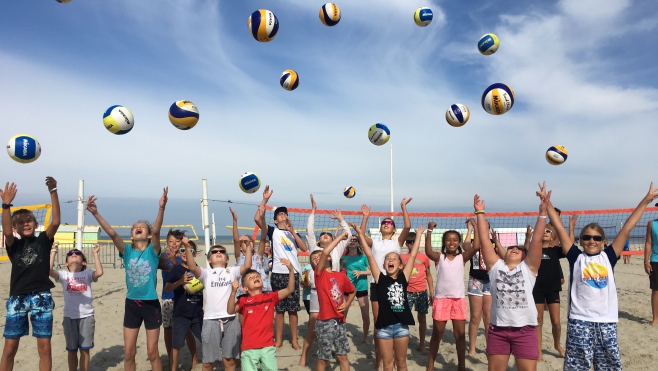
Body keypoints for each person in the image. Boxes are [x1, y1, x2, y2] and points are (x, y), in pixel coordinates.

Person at [546, 181, 658, 370]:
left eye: (597, 238)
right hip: (579, 321)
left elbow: (628, 226)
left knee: (608, 366)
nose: (592, 241)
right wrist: (546, 203)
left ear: (603, 242)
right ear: (580, 241)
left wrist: (646, 201)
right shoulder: (576, 257)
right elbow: (558, 226)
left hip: (606, 321)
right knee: (577, 367)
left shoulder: (609, 256)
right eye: (587, 237)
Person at [86, 188, 168, 371]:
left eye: (142, 226)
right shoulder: (127, 251)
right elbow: (113, 234)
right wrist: (96, 213)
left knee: (152, 352)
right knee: (129, 352)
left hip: (151, 304)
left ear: (147, 234)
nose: (138, 227)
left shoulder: (152, 252)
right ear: (131, 235)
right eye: (135, 227)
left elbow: (157, 232)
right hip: (131, 304)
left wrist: (161, 208)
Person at [474, 189, 547, 371]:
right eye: (511, 247)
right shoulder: (496, 267)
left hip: (525, 330)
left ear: (524, 255)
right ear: (504, 253)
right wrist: (480, 213)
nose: (514, 248)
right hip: (498, 329)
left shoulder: (528, 268)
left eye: (518, 248)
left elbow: (537, 241)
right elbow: (484, 240)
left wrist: (542, 214)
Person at [0, 178, 60, 371]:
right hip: (18, 297)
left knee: (45, 349)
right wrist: (6, 205)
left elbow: (56, 221)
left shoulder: (43, 240)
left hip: (41, 296)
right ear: (15, 228)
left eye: (28, 220)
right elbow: (6, 231)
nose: (25, 224)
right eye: (20, 222)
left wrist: (53, 191)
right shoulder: (13, 244)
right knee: (9, 348)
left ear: (35, 223)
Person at [355, 224, 424, 371]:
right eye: (388, 259)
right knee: (387, 365)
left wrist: (418, 235)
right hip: (384, 328)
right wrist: (360, 234)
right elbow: (369, 255)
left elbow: (413, 255)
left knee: (401, 364)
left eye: (394, 258)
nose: (391, 260)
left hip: (401, 327)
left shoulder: (403, 277)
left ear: (400, 265)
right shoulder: (380, 279)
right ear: (384, 265)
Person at [358, 199, 412, 368]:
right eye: (383, 223)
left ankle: (395, 358)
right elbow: (360, 235)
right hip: (377, 284)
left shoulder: (397, 243)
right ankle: (379, 360)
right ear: (380, 228)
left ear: (394, 229)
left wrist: (403, 207)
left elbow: (408, 227)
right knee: (379, 322)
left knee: (395, 319)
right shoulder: (375, 242)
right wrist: (365, 217)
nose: (386, 224)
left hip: (395, 285)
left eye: (389, 223)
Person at [184, 236, 252, 371]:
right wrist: (187, 247)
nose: (218, 253)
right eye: (214, 252)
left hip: (231, 320)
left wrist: (248, 246)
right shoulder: (206, 273)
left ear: (227, 259)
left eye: (221, 251)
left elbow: (248, 265)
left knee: (230, 361)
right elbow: (192, 266)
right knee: (208, 363)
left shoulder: (232, 271)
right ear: (209, 259)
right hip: (211, 320)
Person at [253, 186, 308, 349]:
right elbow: (257, 219)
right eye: (280, 214)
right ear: (276, 220)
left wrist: (292, 231)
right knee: (279, 310)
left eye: (285, 213)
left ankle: (295, 341)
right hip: (278, 273)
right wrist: (265, 200)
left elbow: (304, 248)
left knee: (293, 310)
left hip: (293, 273)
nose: (283, 215)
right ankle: (278, 340)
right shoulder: (273, 231)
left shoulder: (292, 233)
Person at [424, 221, 477, 371]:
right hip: (441, 300)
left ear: (459, 242)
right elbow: (428, 251)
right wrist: (429, 231)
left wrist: (475, 227)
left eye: (455, 239)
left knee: (460, 336)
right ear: (444, 242)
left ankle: (461, 366)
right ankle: (430, 365)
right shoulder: (439, 257)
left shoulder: (462, 257)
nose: (452, 242)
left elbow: (477, 246)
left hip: (458, 300)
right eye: (448, 239)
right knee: (437, 334)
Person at [227, 259, 297, 371]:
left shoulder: (270, 297)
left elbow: (290, 289)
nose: (255, 278)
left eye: (257, 276)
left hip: (268, 346)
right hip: (248, 347)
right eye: (251, 277)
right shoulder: (244, 301)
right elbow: (230, 310)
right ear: (245, 288)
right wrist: (233, 292)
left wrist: (291, 270)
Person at [49, 244, 103, 371]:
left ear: (83, 262)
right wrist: (53, 251)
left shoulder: (87, 274)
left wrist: (95, 254)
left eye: (77, 254)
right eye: (70, 254)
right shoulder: (63, 275)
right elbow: (48, 271)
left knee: (85, 350)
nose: (73, 254)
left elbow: (99, 272)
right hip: (69, 317)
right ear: (66, 264)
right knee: (72, 350)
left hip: (87, 316)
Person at [314, 231, 356, 371]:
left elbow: (352, 291)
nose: (319, 258)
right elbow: (325, 251)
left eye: (320, 256)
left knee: (343, 356)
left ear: (331, 259)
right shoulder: (319, 275)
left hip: (340, 321)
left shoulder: (340, 276)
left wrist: (348, 303)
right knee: (323, 359)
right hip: (325, 322)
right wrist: (339, 237)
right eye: (316, 258)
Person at [164, 238, 202, 371]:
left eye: (189, 250)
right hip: (180, 314)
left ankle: (198, 362)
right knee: (176, 345)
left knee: (206, 340)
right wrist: (180, 281)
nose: (185, 252)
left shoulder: (198, 270)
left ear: (195, 253)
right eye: (182, 250)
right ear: (179, 253)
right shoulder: (176, 270)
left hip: (197, 313)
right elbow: (167, 288)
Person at [531, 223, 566, 360]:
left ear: (552, 237)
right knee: (538, 320)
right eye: (543, 231)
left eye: (548, 231)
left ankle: (557, 344)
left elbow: (566, 244)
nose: (545, 232)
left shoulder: (555, 251)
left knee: (556, 321)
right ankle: (538, 350)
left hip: (552, 289)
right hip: (537, 289)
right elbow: (526, 248)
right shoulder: (534, 251)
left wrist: (566, 228)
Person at [400, 231, 433, 354]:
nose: (412, 244)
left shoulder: (423, 257)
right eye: (409, 242)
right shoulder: (402, 258)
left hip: (422, 291)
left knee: (422, 318)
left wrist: (432, 292)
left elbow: (429, 275)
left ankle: (422, 344)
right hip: (407, 291)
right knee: (404, 318)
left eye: (414, 241)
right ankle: (403, 342)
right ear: (406, 243)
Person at [230, 207, 272, 297]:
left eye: (250, 242)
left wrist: (263, 218)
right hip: (245, 291)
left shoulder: (258, 256)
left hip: (262, 289)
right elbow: (236, 241)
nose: (248, 243)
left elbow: (263, 237)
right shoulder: (239, 257)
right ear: (240, 248)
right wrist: (234, 220)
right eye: (244, 242)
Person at [466, 218, 492, 356]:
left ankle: (489, 348)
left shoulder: (492, 242)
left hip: (489, 281)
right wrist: (471, 229)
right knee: (475, 317)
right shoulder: (472, 243)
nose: (482, 226)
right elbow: (465, 247)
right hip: (475, 280)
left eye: (485, 225)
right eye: (480, 225)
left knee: (488, 318)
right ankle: (472, 348)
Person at [340, 231, 371, 344]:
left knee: (365, 315)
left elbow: (372, 271)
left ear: (358, 243)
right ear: (347, 243)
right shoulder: (343, 257)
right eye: (350, 240)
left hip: (362, 288)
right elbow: (338, 271)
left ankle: (365, 337)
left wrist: (360, 272)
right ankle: (341, 335)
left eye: (355, 240)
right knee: (343, 313)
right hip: (348, 288)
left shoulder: (363, 257)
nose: (352, 241)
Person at [160, 229, 184, 370]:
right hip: (167, 298)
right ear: (166, 242)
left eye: (177, 241)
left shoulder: (184, 256)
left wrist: (177, 257)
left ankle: (194, 359)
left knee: (185, 330)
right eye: (171, 241)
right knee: (168, 329)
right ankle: (170, 359)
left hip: (182, 298)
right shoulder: (162, 257)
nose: (174, 244)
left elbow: (182, 271)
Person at [645, 218, 658, 326]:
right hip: (656, 260)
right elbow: (648, 242)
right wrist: (646, 261)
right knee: (656, 290)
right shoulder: (652, 224)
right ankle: (655, 318)